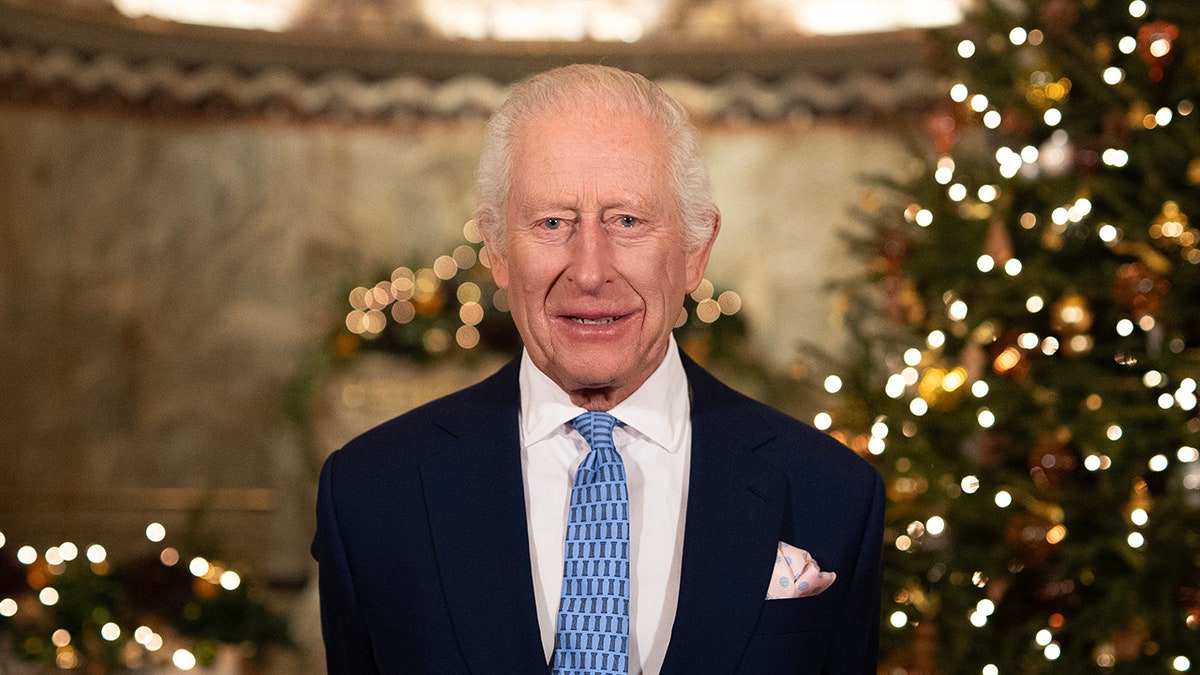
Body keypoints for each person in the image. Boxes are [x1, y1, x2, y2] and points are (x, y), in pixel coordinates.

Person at [312, 64, 885, 674]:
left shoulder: (833, 495)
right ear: (498, 250)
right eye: (552, 222)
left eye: (628, 221)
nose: (589, 272)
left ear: (696, 251)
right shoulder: (371, 496)